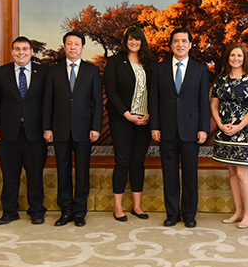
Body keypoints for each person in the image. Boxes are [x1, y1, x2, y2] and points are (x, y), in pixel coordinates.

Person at [149, 27, 210, 228]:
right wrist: (154, 126)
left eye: (184, 41)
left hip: (191, 130)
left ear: (190, 45)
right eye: (176, 41)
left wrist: (203, 128)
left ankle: (189, 214)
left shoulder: (200, 70)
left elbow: (204, 101)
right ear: (171, 45)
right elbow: (154, 99)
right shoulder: (160, 68)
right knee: (169, 173)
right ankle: (172, 214)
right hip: (166, 129)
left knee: (190, 174)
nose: (180, 44)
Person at [43, 31, 103, 227]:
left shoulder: (91, 70)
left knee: (82, 172)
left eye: (76, 44)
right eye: (69, 44)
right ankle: (65, 211)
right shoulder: (53, 71)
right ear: (64, 46)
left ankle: (79, 212)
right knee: (63, 171)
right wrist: (47, 128)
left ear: (82, 47)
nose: (73, 47)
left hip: (84, 129)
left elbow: (97, 102)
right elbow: (47, 102)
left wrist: (96, 127)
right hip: (59, 128)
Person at [0, 36, 48, 225]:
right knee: (9, 175)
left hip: (35, 133)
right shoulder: (1, 73)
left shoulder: (43, 72)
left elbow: (48, 103)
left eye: (24, 49)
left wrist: (48, 128)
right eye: (17, 49)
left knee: (35, 175)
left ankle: (36, 211)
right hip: (7, 133)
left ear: (31, 52)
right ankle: (9, 212)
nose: (21, 52)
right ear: (12, 52)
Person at [104, 26, 154, 222]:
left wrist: (150, 114)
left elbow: (155, 90)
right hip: (122, 119)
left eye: (137, 39)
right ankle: (118, 207)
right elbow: (111, 92)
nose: (134, 42)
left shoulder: (149, 63)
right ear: (125, 42)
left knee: (138, 162)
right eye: (130, 39)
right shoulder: (115, 62)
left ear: (142, 42)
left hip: (144, 120)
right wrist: (127, 115)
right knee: (122, 162)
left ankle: (137, 206)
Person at [211, 42, 248, 229]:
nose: (236, 58)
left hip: (245, 133)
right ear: (227, 57)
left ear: (244, 58)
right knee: (232, 172)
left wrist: (239, 126)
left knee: (242, 173)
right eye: (232, 55)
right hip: (224, 131)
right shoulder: (220, 79)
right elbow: (214, 105)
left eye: (239, 55)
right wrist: (220, 125)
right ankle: (237, 211)